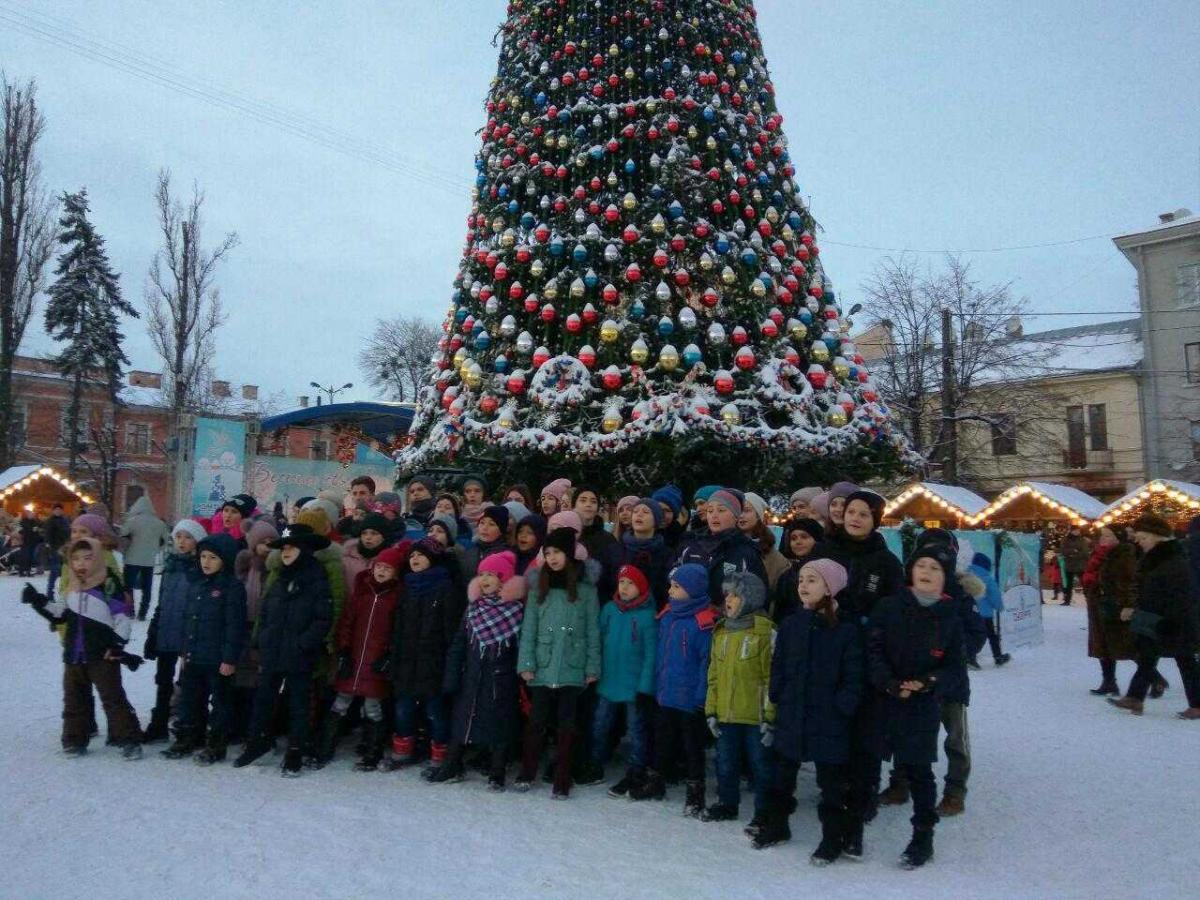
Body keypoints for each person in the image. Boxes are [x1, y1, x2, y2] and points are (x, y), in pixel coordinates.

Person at [868, 541, 964, 869]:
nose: (926, 572)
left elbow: (955, 667)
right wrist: (889, 683)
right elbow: (874, 651)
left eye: (935, 568)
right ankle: (854, 823)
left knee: (919, 771)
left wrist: (927, 683)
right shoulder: (889, 606)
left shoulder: (951, 615)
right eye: (921, 566)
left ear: (945, 577)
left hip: (922, 705)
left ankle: (923, 836)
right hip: (884, 699)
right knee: (868, 761)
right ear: (911, 571)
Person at [816, 489, 904, 848]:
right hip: (828, 651)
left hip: (866, 655)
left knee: (865, 732)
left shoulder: (885, 562)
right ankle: (832, 795)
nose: (854, 518)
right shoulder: (826, 551)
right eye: (850, 511)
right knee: (830, 726)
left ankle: (864, 796)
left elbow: (894, 610)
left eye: (864, 514)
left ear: (875, 520)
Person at [759, 558, 863, 859]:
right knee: (782, 776)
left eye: (812, 580)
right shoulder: (793, 623)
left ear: (830, 589)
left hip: (828, 717)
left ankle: (833, 837)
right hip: (792, 711)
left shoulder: (845, 630)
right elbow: (779, 663)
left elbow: (854, 675)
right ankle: (778, 824)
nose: (803, 585)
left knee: (830, 783)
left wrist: (843, 706)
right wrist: (777, 693)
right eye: (801, 579)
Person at [21, 537, 144, 758]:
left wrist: (116, 646)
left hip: (102, 655)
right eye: (76, 559)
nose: (81, 564)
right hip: (74, 656)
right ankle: (74, 740)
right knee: (74, 699)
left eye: (87, 558)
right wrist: (38, 600)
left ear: (97, 559)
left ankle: (129, 739)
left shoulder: (109, 584)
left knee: (113, 699)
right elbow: (60, 614)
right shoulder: (72, 588)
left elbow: (121, 618)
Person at [234, 523, 333, 776]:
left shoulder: (317, 577)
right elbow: (266, 611)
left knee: (298, 703)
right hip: (273, 649)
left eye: (292, 547)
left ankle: (295, 750)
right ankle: (258, 742)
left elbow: (323, 618)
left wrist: (303, 643)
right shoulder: (279, 576)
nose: (286, 552)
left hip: (299, 654)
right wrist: (263, 638)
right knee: (263, 698)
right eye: (284, 547)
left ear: (305, 549)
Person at [514, 527, 601, 799]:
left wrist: (591, 667)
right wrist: (526, 663)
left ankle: (563, 777)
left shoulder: (586, 591)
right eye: (547, 553)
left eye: (557, 552)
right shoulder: (540, 584)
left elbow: (593, 631)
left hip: (572, 667)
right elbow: (529, 628)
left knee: (567, 725)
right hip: (542, 664)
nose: (551, 558)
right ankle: (528, 771)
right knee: (536, 722)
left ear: (569, 554)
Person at [629, 563, 715, 814]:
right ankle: (656, 781)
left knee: (692, 746)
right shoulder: (667, 616)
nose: (671, 590)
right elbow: (661, 654)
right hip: (666, 694)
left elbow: (705, 664)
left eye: (677, 587)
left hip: (690, 699)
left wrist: (701, 696)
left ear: (693, 589)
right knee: (662, 741)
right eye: (671, 585)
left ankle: (695, 791)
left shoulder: (704, 624)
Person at [160, 534, 246, 765]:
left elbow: (234, 626)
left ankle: (216, 745)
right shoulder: (196, 583)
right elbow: (190, 619)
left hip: (218, 659)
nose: (206, 562)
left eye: (213, 558)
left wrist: (229, 659)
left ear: (225, 560)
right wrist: (185, 652)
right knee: (190, 700)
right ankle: (189, 737)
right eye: (203, 557)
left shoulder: (232, 587)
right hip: (194, 655)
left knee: (220, 704)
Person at [319, 544, 404, 771]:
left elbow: (398, 631)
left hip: (376, 663)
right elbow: (347, 623)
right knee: (340, 703)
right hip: (354, 659)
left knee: (373, 707)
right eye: (379, 566)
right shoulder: (361, 593)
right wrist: (344, 651)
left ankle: (372, 752)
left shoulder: (396, 599)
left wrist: (389, 655)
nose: (382, 571)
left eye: (388, 568)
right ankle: (325, 747)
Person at [384, 538, 464, 773]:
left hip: (433, 662)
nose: (415, 559)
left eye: (420, 555)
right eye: (411, 556)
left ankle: (440, 754)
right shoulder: (407, 587)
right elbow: (397, 628)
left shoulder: (446, 588)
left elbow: (451, 632)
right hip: (407, 661)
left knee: (435, 712)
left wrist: (449, 664)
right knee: (403, 708)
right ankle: (403, 749)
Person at [704, 572, 776, 829]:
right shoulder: (721, 631)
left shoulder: (765, 632)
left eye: (735, 595)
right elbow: (713, 674)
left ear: (751, 598)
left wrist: (770, 716)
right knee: (725, 762)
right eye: (727, 595)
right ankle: (727, 803)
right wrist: (711, 710)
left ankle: (764, 813)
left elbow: (772, 678)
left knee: (761, 765)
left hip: (756, 716)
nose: (729, 600)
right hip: (726, 713)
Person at [1109, 516, 1200, 719]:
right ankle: (1135, 697)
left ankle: (1197, 704)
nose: (1138, 541)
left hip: (1174, 619)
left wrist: (1168, 619)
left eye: (1143, 537)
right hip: (1154, 617)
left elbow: (1180, 595)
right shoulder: (1154, 557)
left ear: (1157, 536)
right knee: (1148, 657)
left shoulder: (1174, 559)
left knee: (1185, 660)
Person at [583, 563, 657, 796]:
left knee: (636, 729)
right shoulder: (609, 610)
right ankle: (595, 762)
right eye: (621, 582)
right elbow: (598, 639)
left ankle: (637, 768)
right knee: (600, 724)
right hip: (608, 680)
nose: (624, 588)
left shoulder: (648, 617)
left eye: (630, 584)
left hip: (634, 685)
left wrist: (645, 685)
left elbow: (651, 655)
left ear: (641, 588)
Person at [142, 519, 207, 742]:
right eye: (179, 536)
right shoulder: (170, 567)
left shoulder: (200, 570)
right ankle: (158, 722)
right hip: (167, 632)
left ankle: (186, 724)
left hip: (188, 634)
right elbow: (162, 603)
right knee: (163, 679)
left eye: (188, 537)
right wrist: (154, 632)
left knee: (188, 682)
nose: (182, 542)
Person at [675, 490, 767, 606]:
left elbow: (757, 595)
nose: (714, 515)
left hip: (726, 620)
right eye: (710, 510)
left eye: (721, 510)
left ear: (736, 516)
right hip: (690, 616)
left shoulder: (746, 552)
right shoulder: (690, 545)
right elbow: (673, 577)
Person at [1081, 528, 1139, 696]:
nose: (1103, 538)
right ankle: (1109, 682)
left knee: (1125, 646)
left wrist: (1127, 605)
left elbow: (1130, 582)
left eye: (1108, 535)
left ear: (1118, 539)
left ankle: (1154, 678)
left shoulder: (1124, 555)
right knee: (1103, 645)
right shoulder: (1098, 554)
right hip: (1098, 604)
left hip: (1115, 606)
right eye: (1103, 535)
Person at [119, 496, 169, 620]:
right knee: (147, 588)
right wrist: (157, 550)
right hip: (149, 560)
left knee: (128, 586)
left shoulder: (132, 521)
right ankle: (143, 613)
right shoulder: (159, 523)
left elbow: (122, 534)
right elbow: (166, 540)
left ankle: (130, 610)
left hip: (131, 559)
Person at [770, 518, 825, 623]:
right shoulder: (787, 574)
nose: (798, 542)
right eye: (793, 538)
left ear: (816, 539)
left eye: (804, 537)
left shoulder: (827, 571)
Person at [620, 498, 671, 608]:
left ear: (656, 521)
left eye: (646, 512)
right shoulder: (619, 549)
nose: (639, 515)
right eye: (636, 511)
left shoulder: (666, 554)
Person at [574, 485, 622, 601]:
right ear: (573, 505)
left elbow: (614, 576)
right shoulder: (566, 536)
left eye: (593, 501)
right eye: (583, 500)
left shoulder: (608, 540)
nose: (588, 504)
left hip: (600, 601)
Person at [966, 553, 1010, 668]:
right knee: (991, 636)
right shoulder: (987, 579)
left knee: (970, 635)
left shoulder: (966, 576)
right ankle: (997, 657)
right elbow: (994, 595)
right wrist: (999, 606)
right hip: (985, 614)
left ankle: (969, 657)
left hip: (968, 613)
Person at [740, 492, 790, 591]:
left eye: (747, 510)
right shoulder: (727, 544)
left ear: (758, 515)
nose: (741, 515)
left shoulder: (771, 553)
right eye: (739, 511)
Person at [342, 513, 393, 586]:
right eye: (364, 533)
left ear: (384, 537)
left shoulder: (391, 560)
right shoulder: (347, 556)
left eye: (374, 533)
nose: (368, 537)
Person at [463, 505, 511, 576]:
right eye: (482, 523)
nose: (484, 528)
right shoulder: (471, 549)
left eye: (491, 524)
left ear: (501, 531)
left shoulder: (504, 555)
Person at [41, 504, 71, 603]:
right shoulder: (50, 521)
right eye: (56, 509)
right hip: (55, 549)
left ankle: (65, 593)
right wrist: (49, 546)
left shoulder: (65, 520)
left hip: (65, 550)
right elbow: (47, 535)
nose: (58, 511)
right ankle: (50, 594)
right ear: (53, 511)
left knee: (65, 572)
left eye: (60, 509)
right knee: (54, 572)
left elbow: (69, 533)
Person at [1059, 527, 1091, 605]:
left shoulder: (1082, 540)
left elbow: (1085, 552)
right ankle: (1067, 600)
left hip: (1080, 565)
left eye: (1078, 530)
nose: (1077, 532)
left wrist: (1074, 554)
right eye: (1075, 530)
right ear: (1071, 531)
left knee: (1085, 583)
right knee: (1068, 584)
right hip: (1069, 565)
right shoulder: (1065, 540)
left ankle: (1089, 599)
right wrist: (1073, 551)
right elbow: (1063, 550)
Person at [17, 507, 42, 577]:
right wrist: (32, 530)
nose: (32, 515)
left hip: (32, 542)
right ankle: (21, 571)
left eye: (32, 513)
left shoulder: (35, 521)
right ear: (27, 514)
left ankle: (28, 571)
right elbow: (22, 530)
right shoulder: (23, 521)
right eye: (30, 513)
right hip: (25, 542)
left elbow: (37, 530)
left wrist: (36, 532)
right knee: (24, 557)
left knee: (30, 557)